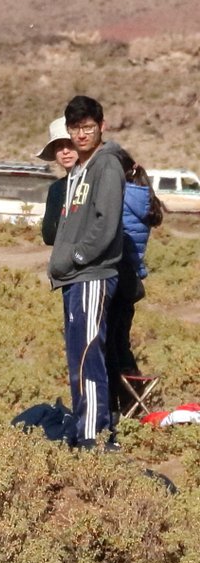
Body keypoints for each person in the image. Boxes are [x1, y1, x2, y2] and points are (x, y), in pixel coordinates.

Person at [46, 96, 125, 450]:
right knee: (78, 358)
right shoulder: (81, 169)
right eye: (75, 128)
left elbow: (105, 226)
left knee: (88, 356)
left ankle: (94, 437)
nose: (81, 135)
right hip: (74, 277)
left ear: (101, 127)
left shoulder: (106, 166)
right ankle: (84, 432)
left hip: (92, 274)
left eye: (88, 127)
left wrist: (76, 256)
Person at [106, 148, 162, 405]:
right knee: (121, 342)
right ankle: (133, 401)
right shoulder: (144, 197)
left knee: (110, 343)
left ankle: (117, 402)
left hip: (118, 278)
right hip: (131, 280)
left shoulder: (121, 196)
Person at [39, 117, 75, 246]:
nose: (65, 151)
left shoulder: (96, 181)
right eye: (60, 146)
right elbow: (48, 235)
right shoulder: (56, 188)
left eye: (70, 144)